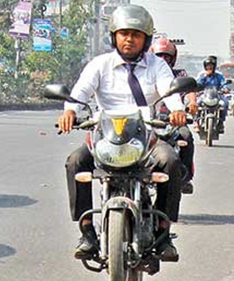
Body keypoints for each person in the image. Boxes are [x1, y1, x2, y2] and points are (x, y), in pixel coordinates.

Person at [58, 4, 187, 262]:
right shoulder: (100, 65)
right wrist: (70, 110)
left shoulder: (157, 66)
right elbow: (80, 91)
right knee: (75, 161)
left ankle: (163, 233)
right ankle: (86, 233)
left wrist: (177, 110)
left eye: (136, 34)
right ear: (114, 36)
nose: (129, 39)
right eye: (124, 33)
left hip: (145, 136)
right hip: (106, 136)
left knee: (171, 161)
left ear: (145, 39)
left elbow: (168, 90)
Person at [150, 37, 197, 195]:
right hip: (148, 122)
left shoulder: (179, 74)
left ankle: (185, 177)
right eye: (159, 56)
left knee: (186, 136)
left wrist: (192, 103)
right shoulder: (147, 73)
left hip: (174, 122)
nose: (163, 59)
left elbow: (190, 91)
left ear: (173, 58)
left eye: (166, 56)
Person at [196, 56, 228, 133]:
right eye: (208, 65)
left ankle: (221, 123)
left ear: (214, 66)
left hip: (217, 95)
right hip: (204, 95)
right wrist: (204, 77)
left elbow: (224, 83)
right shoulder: (201, 75)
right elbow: (197, 84)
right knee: (197, 104)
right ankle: (196, 123)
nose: (209, 67)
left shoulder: (218, 75)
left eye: (211, 65)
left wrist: (226, 89)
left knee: (225, 103)